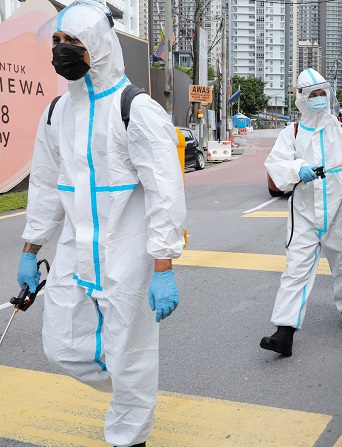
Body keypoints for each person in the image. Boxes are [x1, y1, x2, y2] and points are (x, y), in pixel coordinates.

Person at [16, 1, 186, 446]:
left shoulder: (137, 108)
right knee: (61, 346)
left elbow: (165, 192)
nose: (62, 50)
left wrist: (163, 265)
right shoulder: (56, 112)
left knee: (129, 354)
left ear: (99, 47)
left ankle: (130, 430)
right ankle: (135, 389)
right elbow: (46, 188)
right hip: (75, 251)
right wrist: (31, 250)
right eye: (56, 41)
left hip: (127, 255)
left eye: (73, 42)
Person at [261, 68, 342, 357]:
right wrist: (298, 169)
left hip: (341, 210)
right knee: (295, 270)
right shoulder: (292, 133)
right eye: (313, 95)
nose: (319, 99)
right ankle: (284, 332)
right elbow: (275, 165)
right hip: (305, 213)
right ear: (302, 99)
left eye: (322, 93)